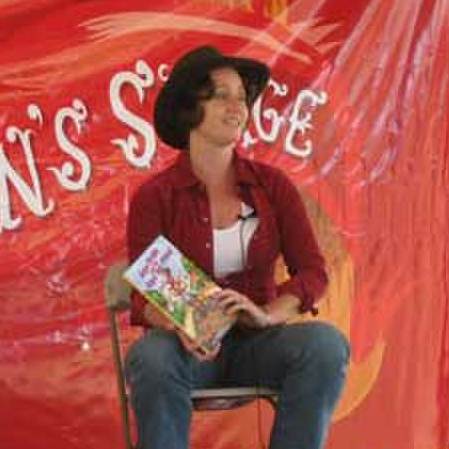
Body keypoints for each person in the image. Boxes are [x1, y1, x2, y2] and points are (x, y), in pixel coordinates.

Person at [125, 46, 349, 449]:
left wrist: (266, 314)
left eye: (243, 98)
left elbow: (312, 273)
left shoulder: (273, 186)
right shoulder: (154, 197)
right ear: (190, 108)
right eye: (221, 96)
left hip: (259, 347)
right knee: (152, 356)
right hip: (188, 353)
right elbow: (143, 295)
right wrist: (178, 324)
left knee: (325, 345)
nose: (238, 108)